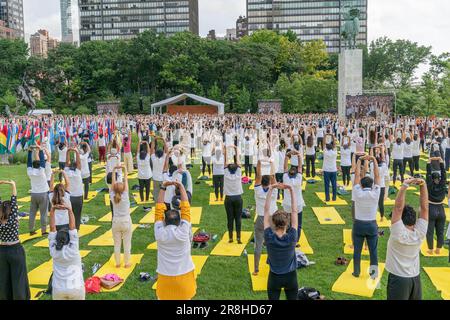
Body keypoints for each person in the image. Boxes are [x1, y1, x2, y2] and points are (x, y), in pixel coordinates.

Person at [385, 178, 428, 300]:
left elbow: (398, 208)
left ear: (401, 220)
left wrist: (405, 185)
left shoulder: (397, 232)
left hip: (399, 280)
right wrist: (423, 185)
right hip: (415, 279)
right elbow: (424, 208)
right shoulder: (420, 232)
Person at [154, 180, 196, 300]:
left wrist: (163, 187)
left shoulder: (159, 232)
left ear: (164, 221)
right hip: (185, 279)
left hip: (165, 280)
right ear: (179, 222)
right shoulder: (183, 231)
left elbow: (158, 209)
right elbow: (186, 208)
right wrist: (181, 186)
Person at [263, 182, 298, 300]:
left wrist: (271, 189)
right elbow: (294, 211)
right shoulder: (292, 236)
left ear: (273, 222)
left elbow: (266, 210)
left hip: (274, 278)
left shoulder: (268, 236)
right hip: (291, 278)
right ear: (287, 223)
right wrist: (291, 190)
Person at [48, 196, 85, 300]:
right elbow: (73, 227)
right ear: (69, 239)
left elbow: (52, 228)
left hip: (58, 290)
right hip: (76, 288)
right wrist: (69, 209)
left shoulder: (53, 251)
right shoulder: (74, 249)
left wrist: (52, 210)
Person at [0, 180, 31, 300]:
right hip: (15, 250)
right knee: (18, 278)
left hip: (2, 251)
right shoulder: (13, 219)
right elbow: (14, 199)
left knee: (3, 280)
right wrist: (12, 184)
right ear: (12, 211)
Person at [352, 155, 381, 278]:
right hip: (371, 225)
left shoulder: (357, 192)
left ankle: (357, 272)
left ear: (362, 185)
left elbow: (357, 176)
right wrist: (374, 160)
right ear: (372, 184)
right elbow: (378, 176)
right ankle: (373, 274)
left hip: (359, 224)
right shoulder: (376, 192)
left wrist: (359, 160)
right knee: (373, 252)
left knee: (357, 250)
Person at [253, 160, 277, 276]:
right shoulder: (274, 189)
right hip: (272, 219)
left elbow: (258, 176)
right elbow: (273, 177)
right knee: (272, 244)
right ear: (270, 182)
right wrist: (271, 164)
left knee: (258, 244)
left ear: (261, 182)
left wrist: (259, 163)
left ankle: (256, 270)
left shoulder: (257, 189)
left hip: (261, 219)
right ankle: (274, 265)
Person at [110, 165, 133, 268]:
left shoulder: (112, 196)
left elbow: (113, 183)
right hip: (126, 221)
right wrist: (124, 169)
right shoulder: (125, 195)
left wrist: (114, 169)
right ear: (123, 188)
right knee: (127, 244)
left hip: (116, 221)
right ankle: (127, 263)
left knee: (117, 244)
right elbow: (126, 181)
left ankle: (118, 263)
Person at [425, 155, 447, 255]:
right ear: (439, 178)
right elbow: (444, 173)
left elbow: (428, 173)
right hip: (441, 209)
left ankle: (430, 249)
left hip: (432, 208)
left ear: (432, 179)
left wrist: (429, 162)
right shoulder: (443, 184)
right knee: (440, 231)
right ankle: (438, 248)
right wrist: (441, 162)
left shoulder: (429, 184)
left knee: (430, 231)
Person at [282, 149, 305, 242]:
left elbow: (284, 167)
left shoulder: (285, 178)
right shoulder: (299, 178)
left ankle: (288, 238)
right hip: (298, 204)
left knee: (287, 223)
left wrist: (287, 155)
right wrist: (298, 155)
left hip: (287, 204)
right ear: (296, 173)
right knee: (298, 224)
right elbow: (300, 167)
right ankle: (296, 240)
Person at [27, 145, 49, 236]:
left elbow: (28, 163)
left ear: (33, 165)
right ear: (39, 165)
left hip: (34, 194)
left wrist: (29, 152)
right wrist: (39, 150)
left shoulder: (30, 171)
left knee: (32, 213)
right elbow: (43, 161)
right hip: (43, 194)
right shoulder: (42, 171)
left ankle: (31, 230)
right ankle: (43, 231)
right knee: (43, 213)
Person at [223, 145, 244, 243]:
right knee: (238, 219)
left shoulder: (226, 172)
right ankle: (238, 238)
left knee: (229, 219)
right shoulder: (239, 172)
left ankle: (231, 237)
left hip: (228, 199)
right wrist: (236, 148)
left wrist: (226, 149)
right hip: (238, 198)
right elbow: (238, 161)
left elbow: (225, 161)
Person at [64, 148, 83, 230]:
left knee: (69, 214)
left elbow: (66, 162)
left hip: (69, 197)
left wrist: (68, 152)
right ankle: (76, 229)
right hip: (78, 197)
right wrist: (76, 151)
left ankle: (70, 228)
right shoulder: (78, 172)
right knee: (77, 214)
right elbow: (79, 162)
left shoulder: (66, 172)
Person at [151, 136, 167, 203]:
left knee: (156, 192)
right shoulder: (164, 158)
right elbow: (166, 149)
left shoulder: (153, 158)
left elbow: (152, 149)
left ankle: (157, 203)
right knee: (163, 192)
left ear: (156, 154)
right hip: (162, 178)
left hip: (155, 178)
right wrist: (163, 139)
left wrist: (154, 140)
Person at [322, 137, 338, 202]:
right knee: (334, 184)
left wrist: (325, 135)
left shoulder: (325, 152)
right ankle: (334, 198)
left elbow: (323, 144)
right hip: (333, 170)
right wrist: (332, 137)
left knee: (327, 185)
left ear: (326, 147)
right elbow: (334, 144)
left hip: (326, 170)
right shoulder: (335, 152)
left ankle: (327, 198)